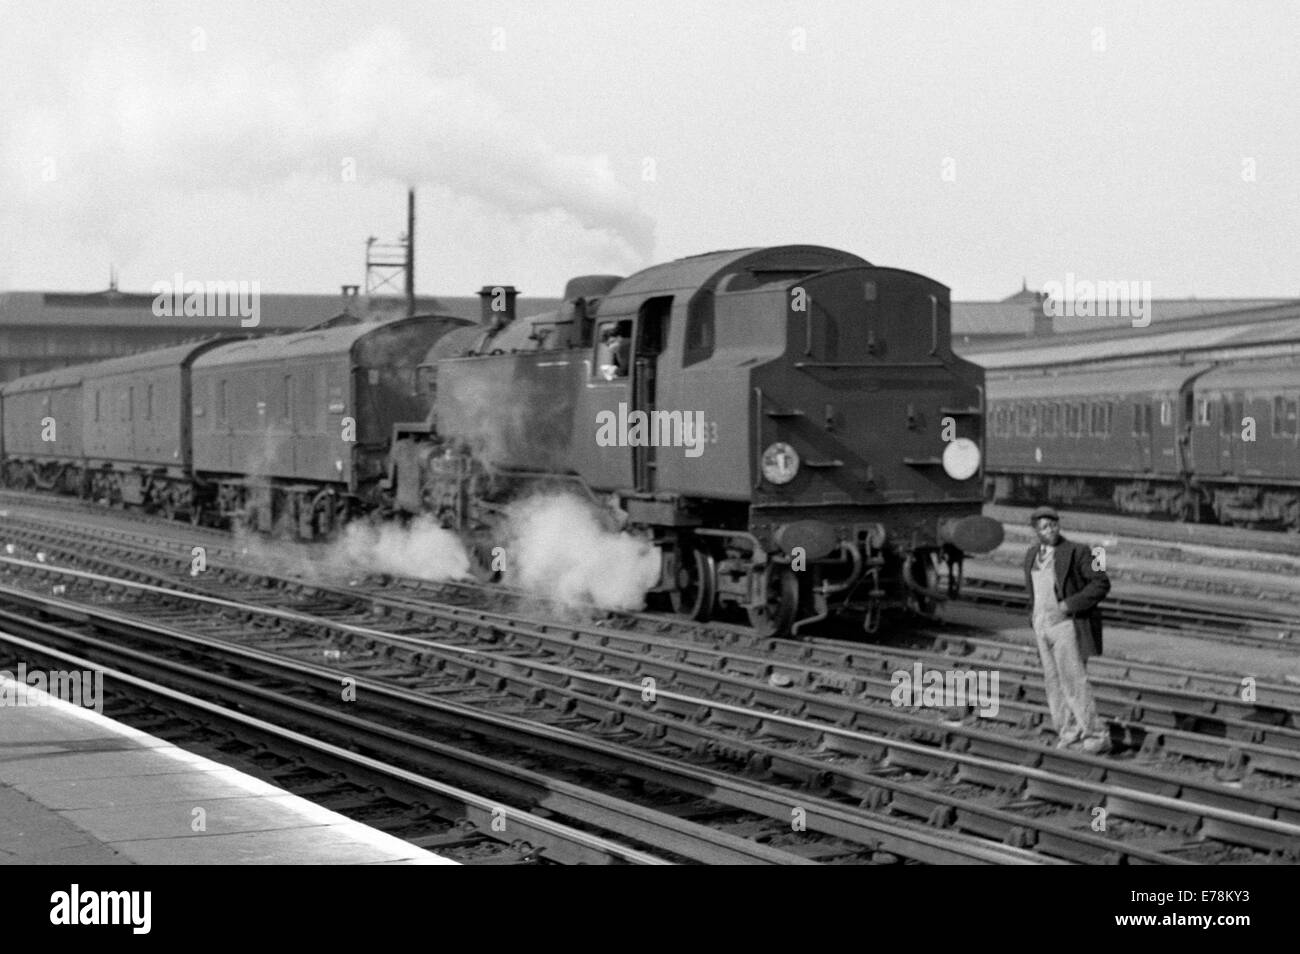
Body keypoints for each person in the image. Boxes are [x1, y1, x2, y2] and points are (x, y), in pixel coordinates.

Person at [1023, 506, 1113, 754]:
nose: (1050, 530)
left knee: (1074, 682)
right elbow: (1033, 591)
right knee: (1053, 683)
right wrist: (1034, 617)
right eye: (1044, 527)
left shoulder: (1081, 551)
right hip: (1042, 625)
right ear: (1036, 530)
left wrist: (1068, 604)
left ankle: (1096, 734)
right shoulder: (1031, 555)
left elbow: (1101, 583)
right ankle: (1069, 733)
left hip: (1066, 625)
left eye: (1053, 525)